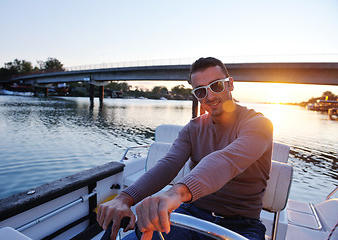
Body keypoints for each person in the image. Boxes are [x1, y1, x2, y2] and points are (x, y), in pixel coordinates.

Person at [97, 57, 273, 240]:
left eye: (216, 86)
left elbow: (227, 160)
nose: (210, 96)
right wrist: (124, 198)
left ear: (230, 84)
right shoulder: (192, 129)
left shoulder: (258, 124)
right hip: (192, 212)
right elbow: (168, 165)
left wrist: (176, 193)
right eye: (201, 91)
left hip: (242, 225)